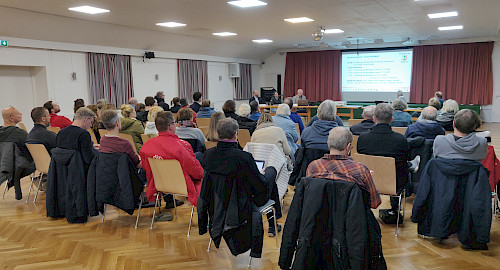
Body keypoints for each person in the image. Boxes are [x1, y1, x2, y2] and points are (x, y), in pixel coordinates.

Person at [201, 117, 282, 237]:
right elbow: (258, 185)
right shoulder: (244, 157)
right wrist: (261, 174)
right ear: (235, 135)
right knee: (271, 172)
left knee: (266, 177)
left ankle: (273, 223)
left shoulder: (208, 154)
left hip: (217, 199)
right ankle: (273, 224)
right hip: (243, 203)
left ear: (218, 134)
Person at [306, 127, 382, 209]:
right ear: (348, 147)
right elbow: (375, 203)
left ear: (328, 144)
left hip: (320, 218)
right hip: (351, 218)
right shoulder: (361, 170)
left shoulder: (313, 166)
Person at [140, 111, 204, 207]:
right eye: (174, 122)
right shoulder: (182, 146)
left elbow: (146, 167)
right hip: (181, 185)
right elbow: (196, 172)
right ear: (170, 126)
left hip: (159, 185)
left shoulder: (146, 146)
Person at [357, 103, 409, 212]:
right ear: (392, 119)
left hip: (367, 182)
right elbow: (405, 161)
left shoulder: (362, 139)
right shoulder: (401, 140)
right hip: (395, 184)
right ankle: (395, 209)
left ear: (374, 119)